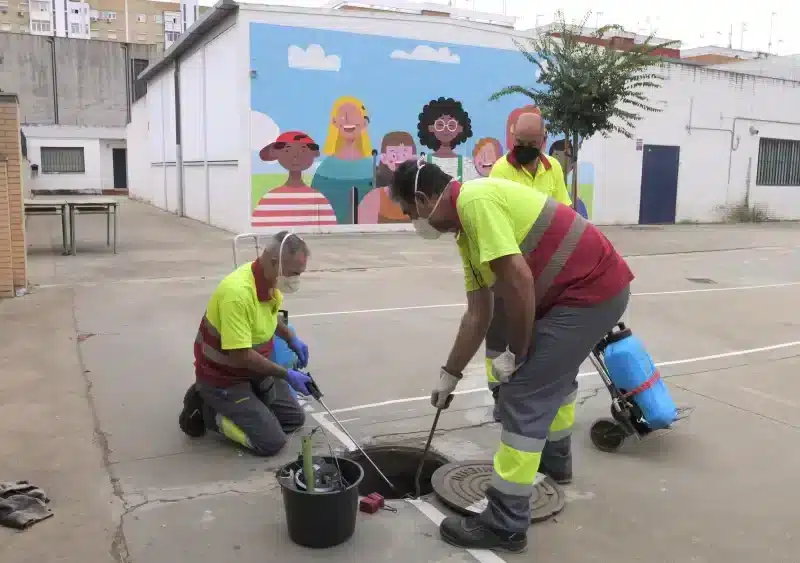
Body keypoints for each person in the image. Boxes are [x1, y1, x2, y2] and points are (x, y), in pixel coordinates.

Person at [389, 159, 634, 553]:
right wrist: (449, 374)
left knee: (524, 393)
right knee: (552, 374)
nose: (411, 221)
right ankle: (553, 463)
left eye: (407, 212)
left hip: (590, 292)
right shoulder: (466, 232)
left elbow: (518, 280)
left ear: (423, 198)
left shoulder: (475, 201)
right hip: (577, 292)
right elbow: (479, 312)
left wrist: (518, 355)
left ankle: (504, 525)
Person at [178, 232, 313, 456]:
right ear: (274, 262)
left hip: (255, 372)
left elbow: (268, 316)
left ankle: (248, 406)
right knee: (271, 442)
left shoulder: (269, 282)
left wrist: (291, 337)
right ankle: (208, 410)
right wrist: (286, 374)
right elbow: (241, 355)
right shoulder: (237, 294)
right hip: (224, 378)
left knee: (294, 419)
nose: (295, 279)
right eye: (294, 273)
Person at [486, 111, 573, 423]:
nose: (524, 148)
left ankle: (535, 396)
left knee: (538, 337)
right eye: (519, 143)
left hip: (545, 269)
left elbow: (564, 214)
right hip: (510, 267)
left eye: (531, 143)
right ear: (512, 139)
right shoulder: (501, 170)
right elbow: (499, 222)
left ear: (543, 141)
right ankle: (500, 395)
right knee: (501, 338)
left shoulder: (553, 170)